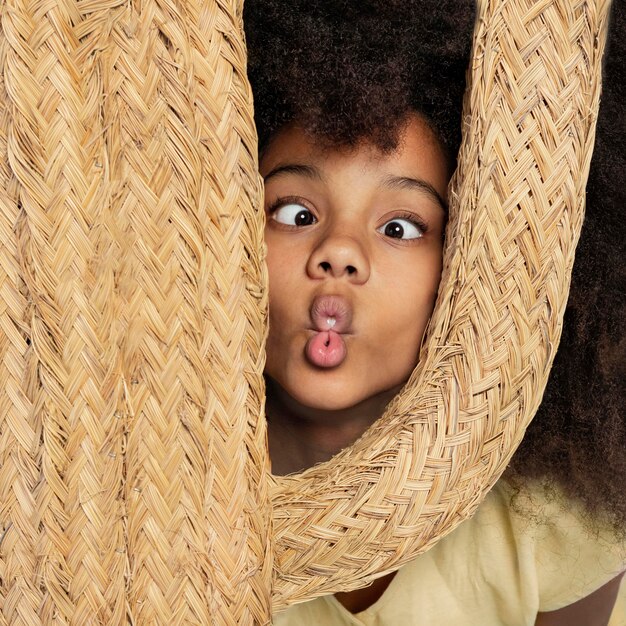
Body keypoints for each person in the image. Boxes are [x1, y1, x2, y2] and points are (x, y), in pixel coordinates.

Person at [243, 1, 626, 623]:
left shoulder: (547, 527)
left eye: (400, 226)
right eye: (295, 214)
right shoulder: (145, 525)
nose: (339, 252)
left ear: (468, 268)